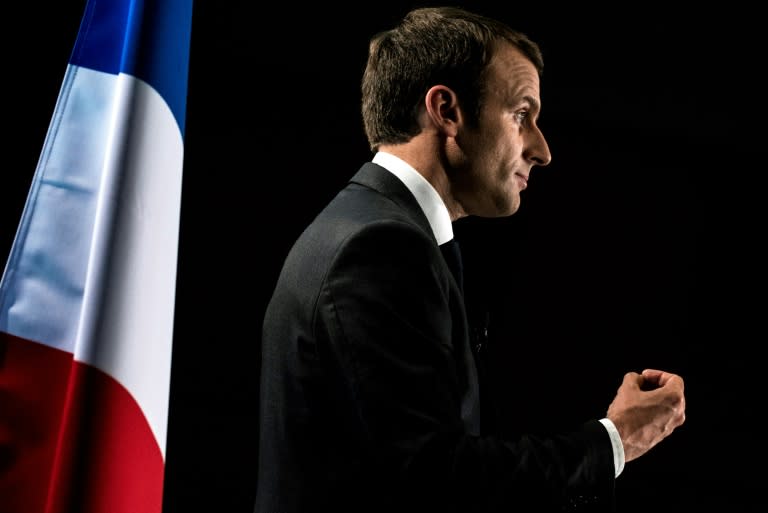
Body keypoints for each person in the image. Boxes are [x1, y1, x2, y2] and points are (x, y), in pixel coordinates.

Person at [254, 6, 686, 513]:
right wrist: (616, 440)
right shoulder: (377, 248)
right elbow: (437, 481)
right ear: (447, 110)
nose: (542, 150)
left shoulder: (374, 228)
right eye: (522, 114)